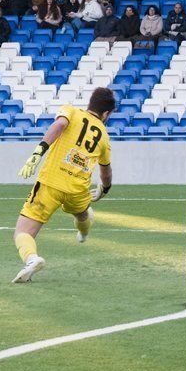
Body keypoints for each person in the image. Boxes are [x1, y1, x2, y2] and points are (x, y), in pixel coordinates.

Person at [11, 87, 115, 283]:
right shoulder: (103, 136)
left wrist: (37, 153)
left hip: (51, 182)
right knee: (83, 213)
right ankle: (83, 232)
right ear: (106, 113)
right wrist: (104, 188)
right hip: (77, 189)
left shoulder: (71, 111)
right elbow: (106, 170)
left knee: (23, 232)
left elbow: (59, 126)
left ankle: (32, 259)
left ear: (90, 103)